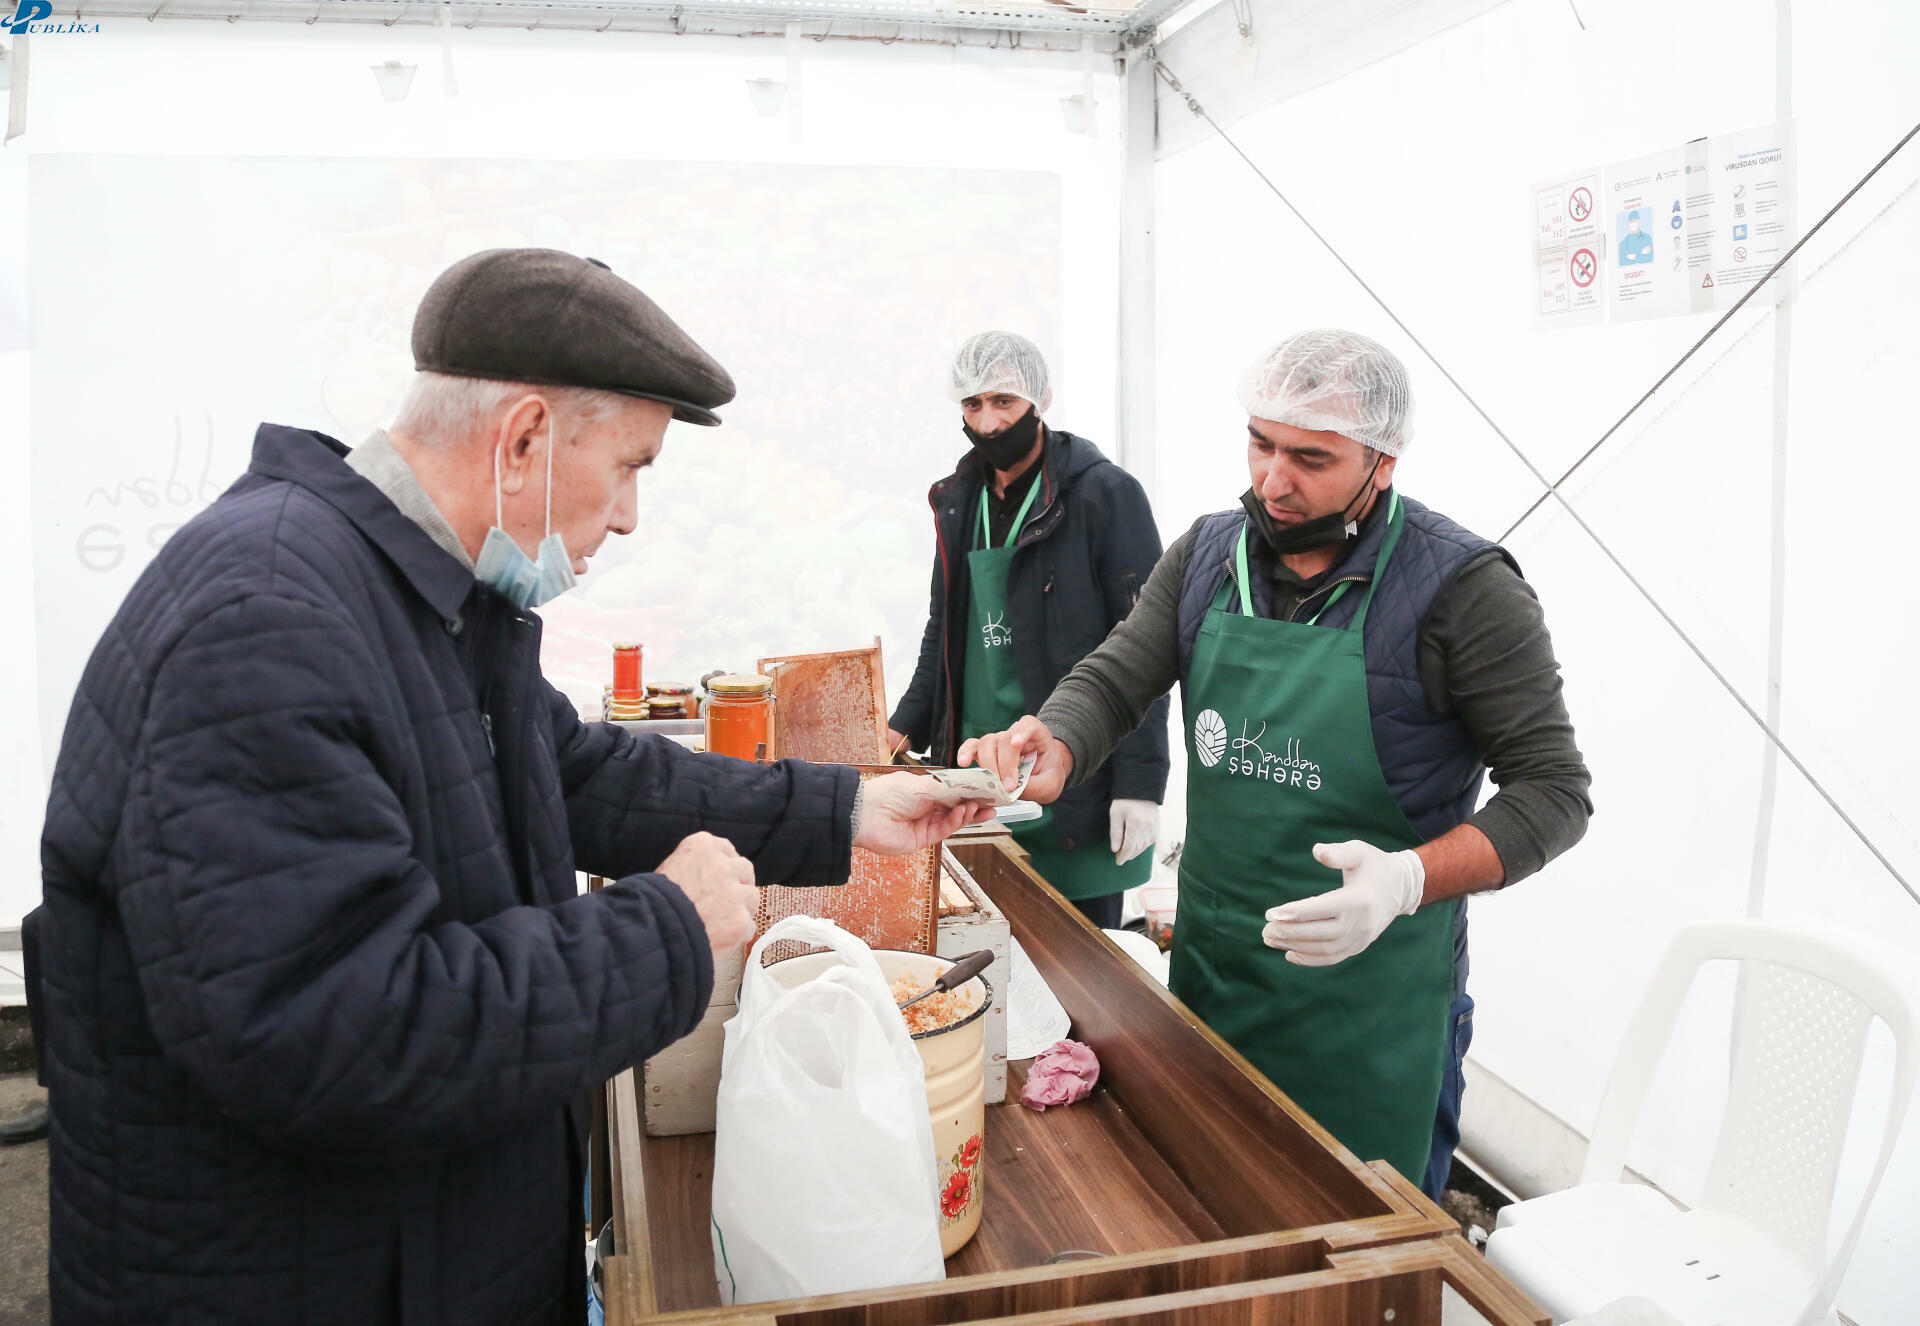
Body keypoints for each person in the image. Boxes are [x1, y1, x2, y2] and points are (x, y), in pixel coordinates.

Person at [33, 249, 993, 1325]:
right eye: (628, 466)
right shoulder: (266, 623)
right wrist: (665, 931)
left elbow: (578, 771)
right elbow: (338, 1032)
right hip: (305, 1274)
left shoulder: (422, 601)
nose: (629, 516)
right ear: (525, 436)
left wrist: (847, 808)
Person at [961, 329, 1592, 1197]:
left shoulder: (1464, 589)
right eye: (1260, 444)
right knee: (1211, 1209)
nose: (1273, 481)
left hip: (1372, 1013)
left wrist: (1407, 879)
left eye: (1311, 458)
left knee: (1360, 1238)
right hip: (1217, 979)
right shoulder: (1208, 556)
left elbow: (1555, 792)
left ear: (1382, 462)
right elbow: (1115, 678)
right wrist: (1058, 740)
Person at [887, 332, 1169, 929]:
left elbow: (1145, 644)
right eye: (973, 405)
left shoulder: (1104, 494)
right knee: (980, 943)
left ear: (1040, 399)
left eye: (1003, 402)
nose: (988, 423)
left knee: (1080, 962)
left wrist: (1141, 781)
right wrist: (899, 728)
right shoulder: (959, 500)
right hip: (976, 774)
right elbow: (944, 630)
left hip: (1075, 772)